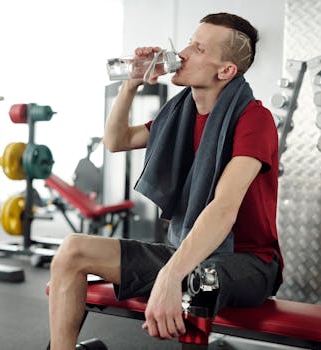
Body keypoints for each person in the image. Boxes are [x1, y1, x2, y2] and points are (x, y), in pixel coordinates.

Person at [48, 12, 283, 349]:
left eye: (198, 48)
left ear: (226, 70)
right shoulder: (179, 114)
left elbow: (223, 208)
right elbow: (116, 141)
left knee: (203, 279)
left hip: (249, 263)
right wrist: (132, 83)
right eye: (189, 42)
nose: (183, 53)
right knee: (73, 250)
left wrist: (171, 275)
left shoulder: (254, 119)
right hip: (186, 252)